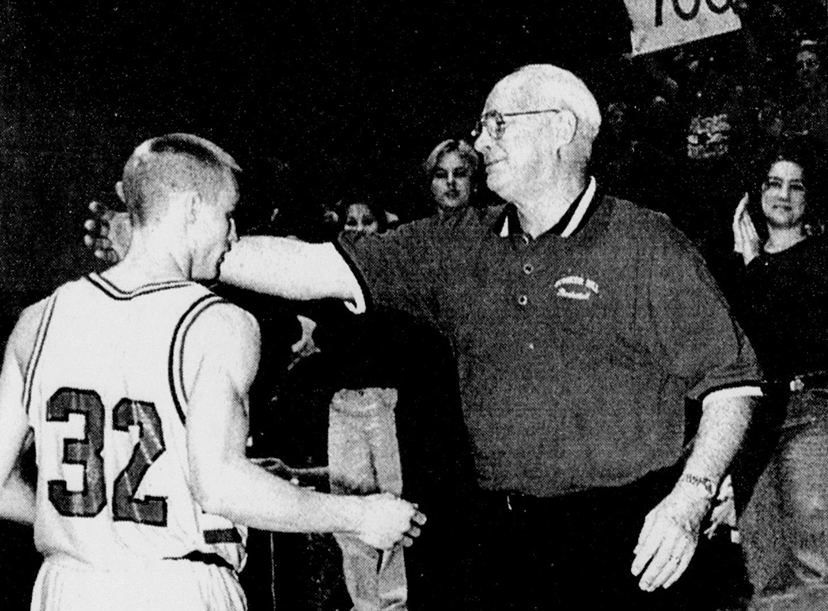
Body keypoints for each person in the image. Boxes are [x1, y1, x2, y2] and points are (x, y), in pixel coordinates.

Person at [85, 66, 761, 610]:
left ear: (560, 129)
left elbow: (732, 384)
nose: (479, 140)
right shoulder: (457, 242)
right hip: (509, 537)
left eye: (497, 122)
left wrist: (691, 495)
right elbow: (317, 266)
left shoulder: (647, 243)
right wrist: (186, 247)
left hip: (629, 534)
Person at [0, 133, 423, 611]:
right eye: (228, 215)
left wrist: (88, 522)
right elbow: (221, 484)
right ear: (192, 208)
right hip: (175, 588)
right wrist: (358, 515)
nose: (233, 235)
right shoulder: (217, 322)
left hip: (64, 587)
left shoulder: (37, 319)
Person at [730, 136, 828, 609]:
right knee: (763, 566)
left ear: (810, 198)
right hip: (754, 425)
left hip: (810, 414)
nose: (784, 195)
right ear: (757, 191)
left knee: (814, 563)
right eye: (774, 183)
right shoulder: (736, 268)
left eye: (796, 186)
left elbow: (788, 338)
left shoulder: (819, 258)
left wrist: (753, 265)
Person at [422, 139, 480, 216]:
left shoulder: (494, 221)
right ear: (431, 185)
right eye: (441, 175)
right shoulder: (412, 228)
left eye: (459, 174)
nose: (450, 181)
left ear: (473, 183)